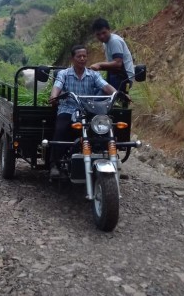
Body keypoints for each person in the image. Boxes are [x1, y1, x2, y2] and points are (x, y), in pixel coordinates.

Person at [48, 45, 119, 178]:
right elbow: (57, 85)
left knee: (103, 130)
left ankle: (109, 159)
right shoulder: (64, 74)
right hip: (68, 109)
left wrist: (116, 93)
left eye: (84, 56)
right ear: (72, 58)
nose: (82, 59)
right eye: (79, 56)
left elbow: (105, 85)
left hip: (88, 111)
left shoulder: (93, 75)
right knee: (60, 129)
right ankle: (54, 164)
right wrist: (54, 96)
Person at [90, 18, 135, 97]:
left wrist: (99, 65)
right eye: (98, 34)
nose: (102, 36)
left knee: (98, 99)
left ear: (109, 30)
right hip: (116, 75)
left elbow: (118, 63)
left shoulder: (114, 41)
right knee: (93, 91)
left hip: (124, 78)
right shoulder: (106, 43)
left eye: (104, 33)